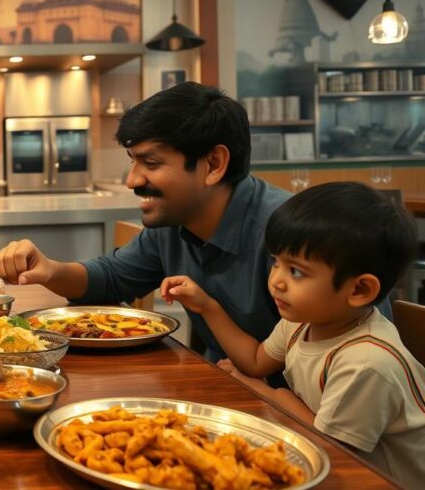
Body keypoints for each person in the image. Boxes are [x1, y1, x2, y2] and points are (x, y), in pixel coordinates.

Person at [0, 82, 299, 364]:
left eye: (151, 163)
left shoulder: (292, 237)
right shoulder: (175, 223)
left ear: (214, 164)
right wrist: (50, 270)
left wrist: (262, 389)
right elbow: (111, 279)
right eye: (132, 161)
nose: (131, 180)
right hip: (226, 382)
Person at [162, 182, 423, 486]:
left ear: (360, 289)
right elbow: (256, 362)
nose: (276, 281)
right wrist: (208, 307)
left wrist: (274, 394)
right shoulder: (306, 320)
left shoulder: (365, 362)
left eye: (296, 271)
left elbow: (332, 449)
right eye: (276, 262)